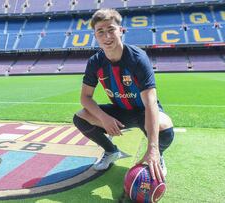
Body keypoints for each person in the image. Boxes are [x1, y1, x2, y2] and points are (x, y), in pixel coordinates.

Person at [72, 9, 174, 183]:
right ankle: (111, 152)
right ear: (95, 36)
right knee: (80, 117)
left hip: (143, 111)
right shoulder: (95, 62)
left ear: (121, 30)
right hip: (120, 111)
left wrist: (153, 148)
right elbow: (85, 98)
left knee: (165, 128)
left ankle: (158, 156)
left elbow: (150, 103)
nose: (107, 36)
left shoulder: (137, 58)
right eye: (100, 32)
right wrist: (104, 118)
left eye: (111, 29)